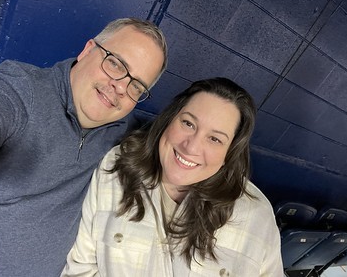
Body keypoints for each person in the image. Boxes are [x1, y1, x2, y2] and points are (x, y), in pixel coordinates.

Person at [0, 17, 167, 277]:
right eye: (115, 63)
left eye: (136, 86)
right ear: (88, 50)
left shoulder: (124, 130)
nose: (120, 87)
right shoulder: (19, 90)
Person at [62, 77, 284, 277]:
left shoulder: (257, 215)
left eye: (215, 139)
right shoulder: (116, 168)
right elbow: (81, 268)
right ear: (169, 120)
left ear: (229, 153)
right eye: (188, 123)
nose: (192, 146)